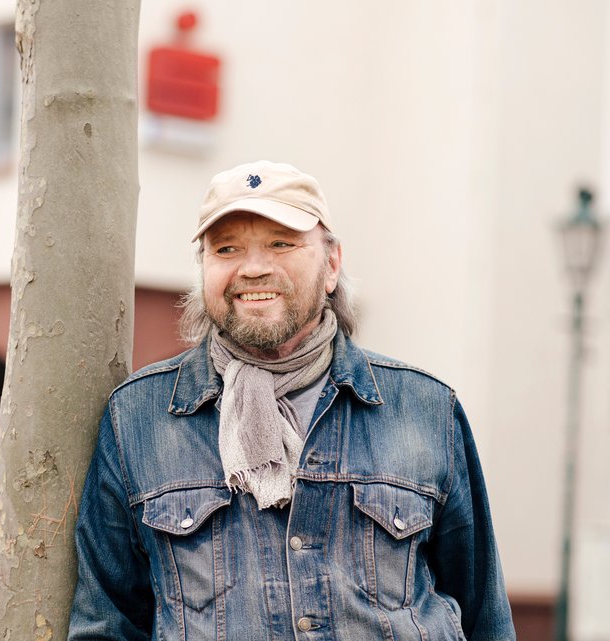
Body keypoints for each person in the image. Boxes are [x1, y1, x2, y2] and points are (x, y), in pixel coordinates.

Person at [68, 161, 515, 640]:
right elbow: (106, 622)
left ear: (332, 264)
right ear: (204, 268)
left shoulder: (426, 409)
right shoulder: (138, 418)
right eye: (227, 248)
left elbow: (483, 614)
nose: (254, 267)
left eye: (282, 243)